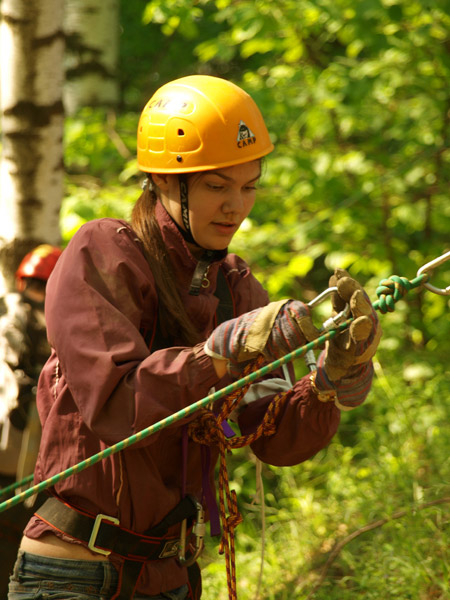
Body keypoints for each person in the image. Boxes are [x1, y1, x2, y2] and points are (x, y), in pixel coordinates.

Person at [8, 75, 381, 600]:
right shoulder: (103, 255)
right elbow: (117, 407)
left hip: (173, 576)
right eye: (216, 185)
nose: (236, 206)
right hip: (76, 575)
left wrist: (328, 381)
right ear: (163, 181)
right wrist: (219, 356)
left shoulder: (238, 289)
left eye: (249, 186)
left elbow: (269, 432)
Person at [0, 244, 62, 596]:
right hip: (8, 450)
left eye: (44, 286)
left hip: (43, 467)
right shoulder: (10, 321)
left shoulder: (65, 326)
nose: (35, 295)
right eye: (32, 285)